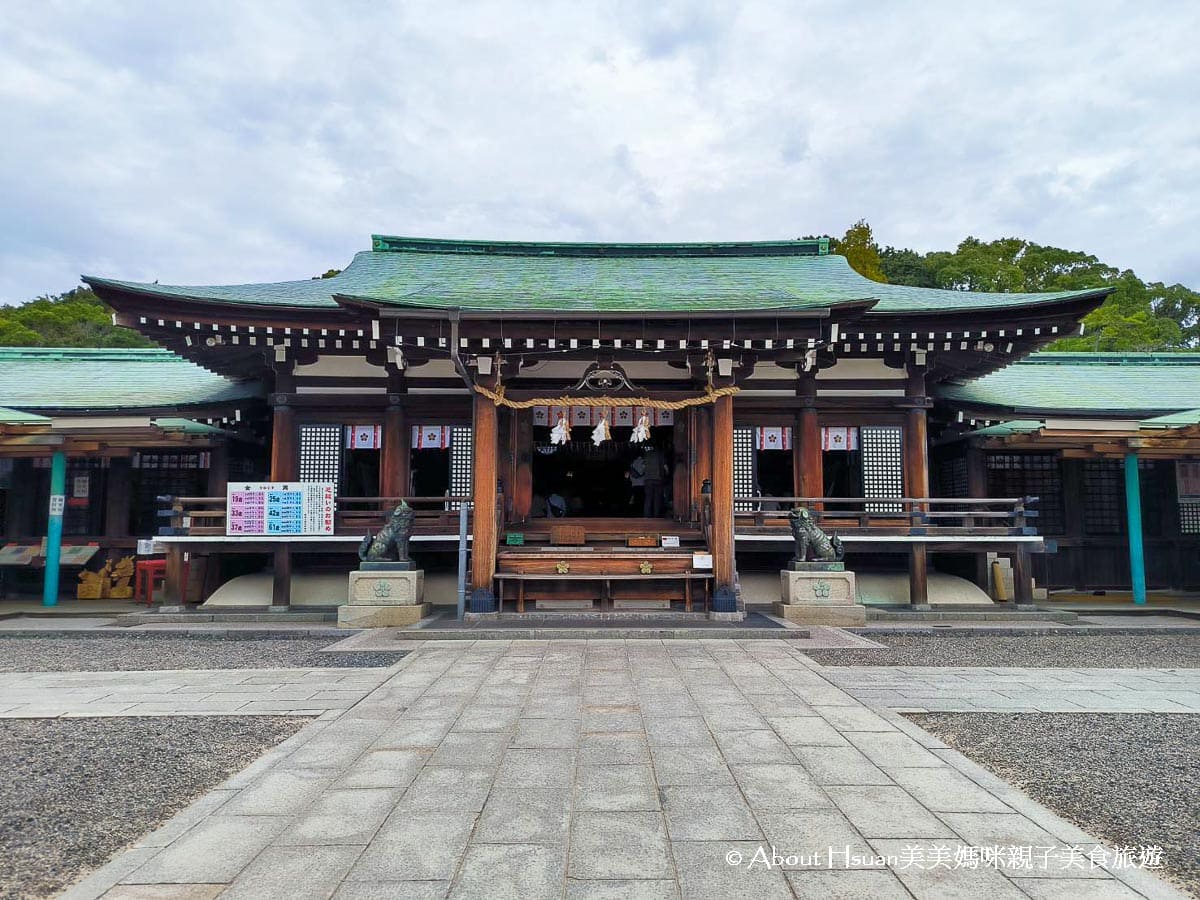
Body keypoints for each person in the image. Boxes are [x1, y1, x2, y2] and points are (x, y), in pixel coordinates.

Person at [641, 444, 666, 517]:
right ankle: (656, 516)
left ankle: (646, 515)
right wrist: (666, 474)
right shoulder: (660, 454)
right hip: (658, 479)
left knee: (648, 498)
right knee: (657, 499)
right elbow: (665, 467)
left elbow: (643, 467)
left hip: (648, 479)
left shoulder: (647, 454)